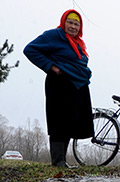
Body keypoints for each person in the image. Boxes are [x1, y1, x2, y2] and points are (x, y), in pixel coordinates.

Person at [24, 9, 94, 167]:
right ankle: (57, 161)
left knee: (70, 121)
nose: (73, 26)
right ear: (63, 23)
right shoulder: (54, 35)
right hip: (59, 84)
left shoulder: (78, 43)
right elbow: (30, 49)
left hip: (76, 85)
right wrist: (51, 66)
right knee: (58, 121)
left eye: (77, 24)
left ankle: (62, 160)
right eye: (70, 22)